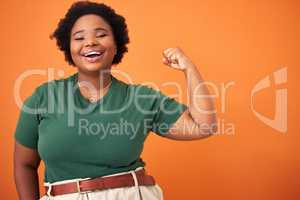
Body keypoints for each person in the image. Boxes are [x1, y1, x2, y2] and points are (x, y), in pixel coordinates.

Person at [13, 1, 217, 200]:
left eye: (101, 35)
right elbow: (24, 164)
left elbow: (203, 126)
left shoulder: (141, 98)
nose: (90, 42)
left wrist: (189, 68)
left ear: (117, 44)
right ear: (68, 47)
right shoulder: (44, 97)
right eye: (79, 37)